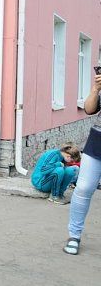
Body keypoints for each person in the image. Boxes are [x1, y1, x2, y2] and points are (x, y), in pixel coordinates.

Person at [64, 72, 101, 255]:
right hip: (98, 142)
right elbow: (89, 109)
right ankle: (74, 235)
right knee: (84, 188)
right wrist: (96, 89)